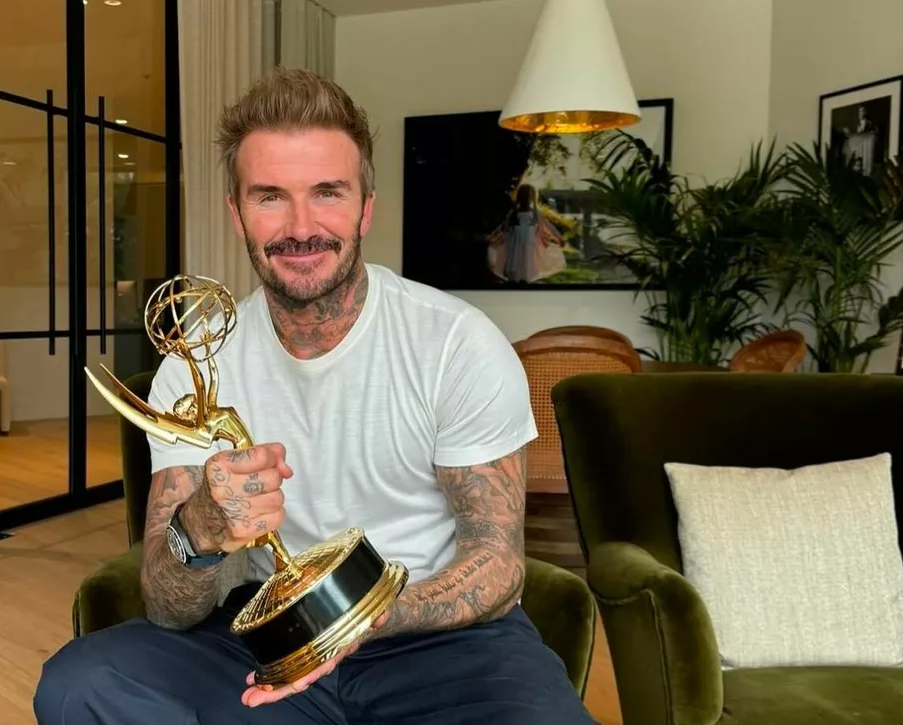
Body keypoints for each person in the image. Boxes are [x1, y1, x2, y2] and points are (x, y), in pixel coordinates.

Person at [33, 66, 597, 725]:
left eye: (327, 192)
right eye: (270, 196)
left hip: (434, 635)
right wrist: (204, 525)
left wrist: (361, 617)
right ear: (237, 213)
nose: (301, 226)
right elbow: (166, 602)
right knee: (79, 685)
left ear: (364, 208)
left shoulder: (456, 344)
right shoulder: (193, 368)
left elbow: (496, 563)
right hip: (263, 636)